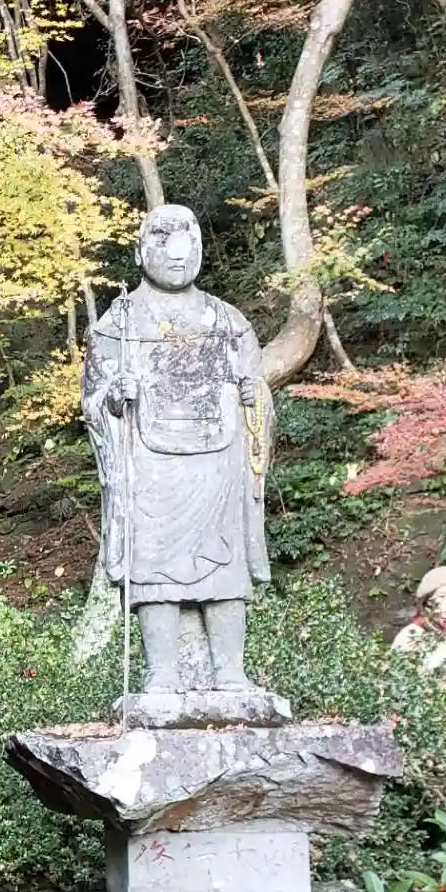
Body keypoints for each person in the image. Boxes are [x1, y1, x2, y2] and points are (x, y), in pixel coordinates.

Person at [82, 203, 271, 693]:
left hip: (218, 462)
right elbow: (94, 402)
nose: (178, 254)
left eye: (189, 242)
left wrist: (254, 398)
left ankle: (230, 672)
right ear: (140, 251)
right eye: (163, 241)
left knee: (225, 566)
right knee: (153, 565)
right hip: (151, 469)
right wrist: (115, 398)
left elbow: (256, 390)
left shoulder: (229, 321)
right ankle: (161, 672)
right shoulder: (118, 324)